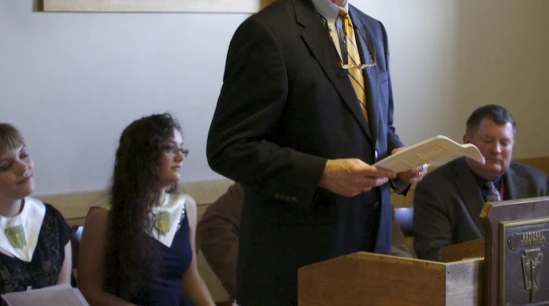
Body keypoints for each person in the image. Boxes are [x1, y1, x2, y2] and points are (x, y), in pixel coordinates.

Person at [206, 0, 426, 305]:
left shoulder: (372, 31)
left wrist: (400, 161)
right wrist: (321, 173)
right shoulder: (267, 35)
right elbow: (229, 148)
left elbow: (377, 128)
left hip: (371, 255)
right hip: (298, 268)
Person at [78, 114, 215, 306]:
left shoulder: (186, 206)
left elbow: (191, 278)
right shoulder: (103, 214)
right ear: (142, 156)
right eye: (169, 149)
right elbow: (90, 291)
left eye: (181, 148)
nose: (180, 157)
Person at [196, 182, 416, 299]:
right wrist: (252, 287)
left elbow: (398, 250)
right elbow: (216, 224)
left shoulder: (369, 180)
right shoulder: (277, 176)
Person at [412, 104, 549, 261]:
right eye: (488, 140)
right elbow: (435, 256)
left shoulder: (536, 182)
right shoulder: (436, 187)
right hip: (466, 281)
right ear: (467, 142)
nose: (496, 150)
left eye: (505, 143)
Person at [0, 123, 72, 295]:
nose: (24, 167)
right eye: (5, 165)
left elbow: (63, 293)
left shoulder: (51, 220)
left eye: (23, 155)